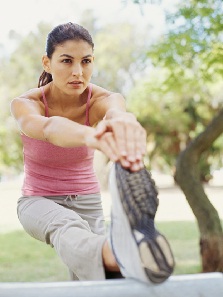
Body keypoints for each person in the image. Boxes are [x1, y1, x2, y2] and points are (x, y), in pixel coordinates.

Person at [10, 22, 174, 283]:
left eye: (86, 61)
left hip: (88, 202)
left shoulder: (100, 99)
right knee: (68, 228)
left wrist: (124, 124)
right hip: (38, 200)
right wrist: (90, 135)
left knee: (93, 276)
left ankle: (117, 259)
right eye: (66, 61)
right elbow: (48, 128)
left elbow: (118, 111)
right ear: (47, 63)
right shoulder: (26, 104)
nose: (78, 72)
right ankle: (118, 254)